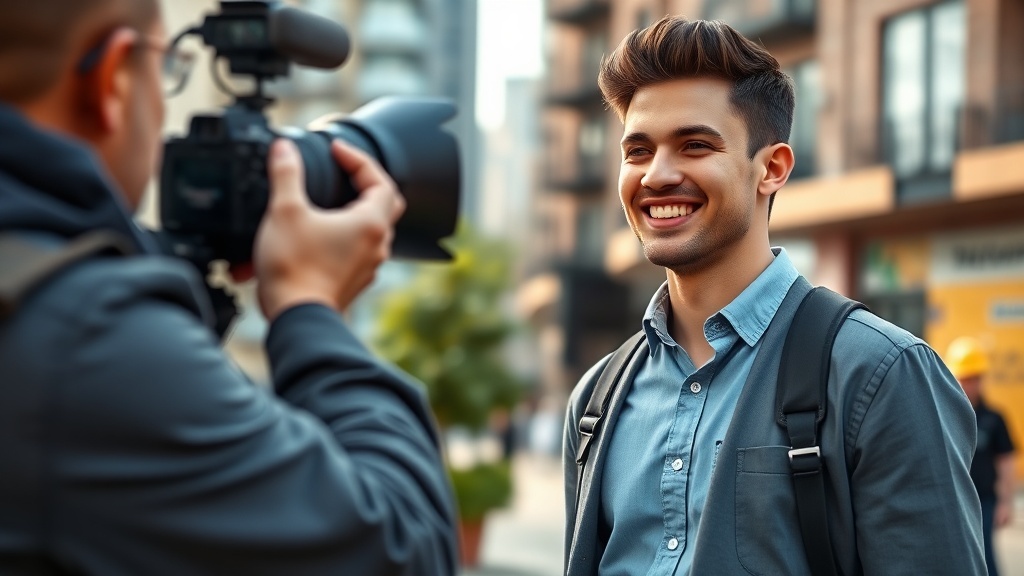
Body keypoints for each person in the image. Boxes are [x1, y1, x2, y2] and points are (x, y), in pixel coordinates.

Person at [0, 0, 457, 574]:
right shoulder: (83, 338)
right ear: (113, 77)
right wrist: (308, 303)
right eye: (165, 68)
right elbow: (403, 548)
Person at [562, 16, 984, 575]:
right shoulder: (595, 400)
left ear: (772, 169)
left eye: (694, 145)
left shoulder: (880, 375)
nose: (657, 175)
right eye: (637, 151)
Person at [946, 336, 1017, 576]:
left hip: (984, 501)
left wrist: (1006, 503)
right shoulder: (942, 416)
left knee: (984, 557)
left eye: (974, 379)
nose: (968, 385)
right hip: (951, 500)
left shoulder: (994, 419)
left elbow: (1006, 462)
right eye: (964, 379)